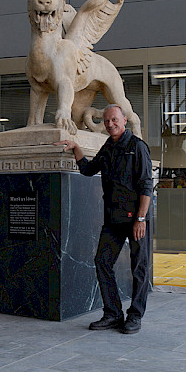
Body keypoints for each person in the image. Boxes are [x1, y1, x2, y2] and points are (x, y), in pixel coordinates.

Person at [56, 104, 152, 334]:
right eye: (107, 121)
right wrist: (77, 148)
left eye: (114, 120)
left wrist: (141, 218)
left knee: (139, 268)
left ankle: (135, 316)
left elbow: (146, 185)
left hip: (135, 218)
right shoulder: (107, 147)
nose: (110, 124)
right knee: (102, 262)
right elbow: (88, 170)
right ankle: (113, 313)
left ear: (124, 120)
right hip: (113, 219)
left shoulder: (137, 147)